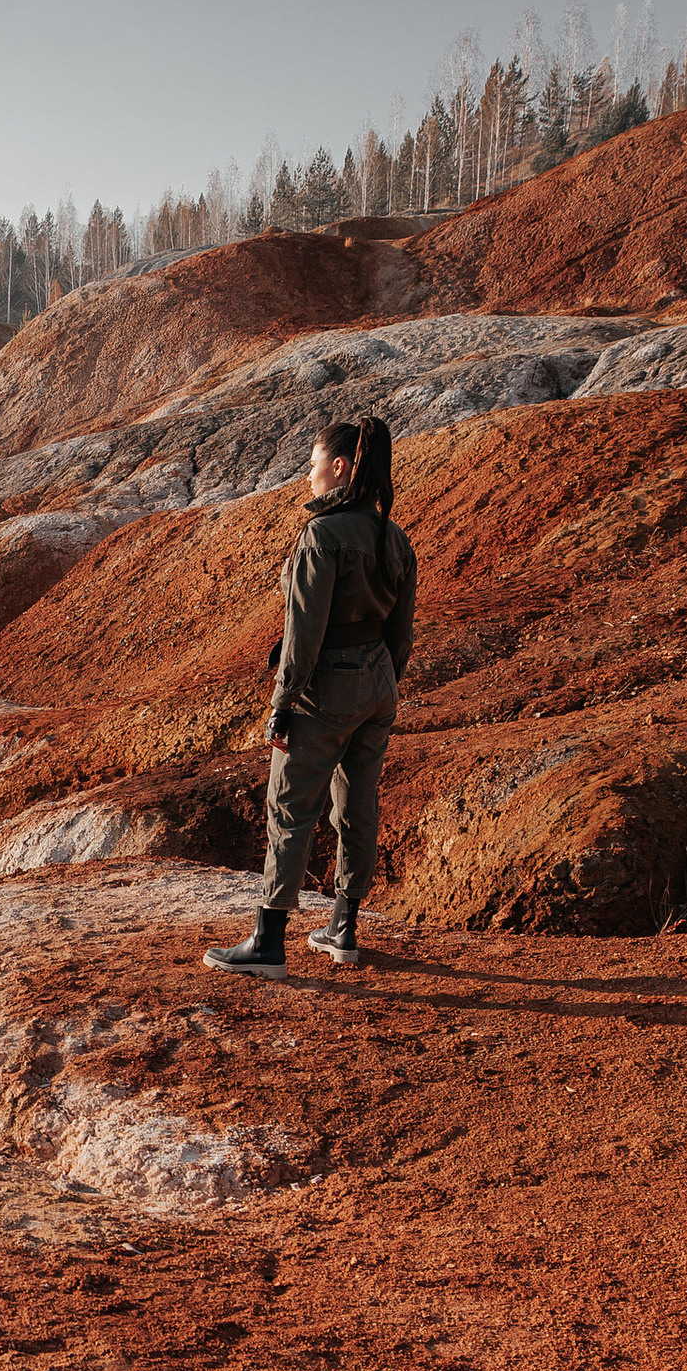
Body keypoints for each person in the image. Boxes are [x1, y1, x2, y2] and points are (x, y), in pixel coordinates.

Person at [203, 415, 416, 976]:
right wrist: (382, 680)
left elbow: (304, 631)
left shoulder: (321, 535)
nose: (308, 475)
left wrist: (282, 702)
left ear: (340, 467)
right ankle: (343, 929)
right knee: (358, 807)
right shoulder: (393, 535)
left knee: (291, 809)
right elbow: (402, 632)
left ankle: (268, 942)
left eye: (314, 463)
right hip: (379, 685)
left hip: (327, 686)